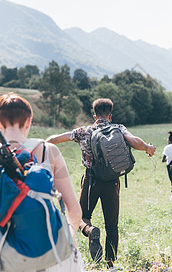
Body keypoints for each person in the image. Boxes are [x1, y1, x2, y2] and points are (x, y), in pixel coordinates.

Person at [46, 98, 156, 270]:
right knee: (112, 224)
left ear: (94, 115)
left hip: (92, 180)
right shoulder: (118, 128)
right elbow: (134, 142)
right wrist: (148, 148)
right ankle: (111, 264)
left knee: (81, 217)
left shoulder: (83, 131)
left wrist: (40, 145)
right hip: (113, 182)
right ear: (110, 115)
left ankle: (90, 231)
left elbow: (56, 139)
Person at [0, 93, 84, 272]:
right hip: (54, 254)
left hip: (10, 259)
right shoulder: (49, 151)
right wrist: (68, 244)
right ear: (29, 121)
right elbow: (75, 211)